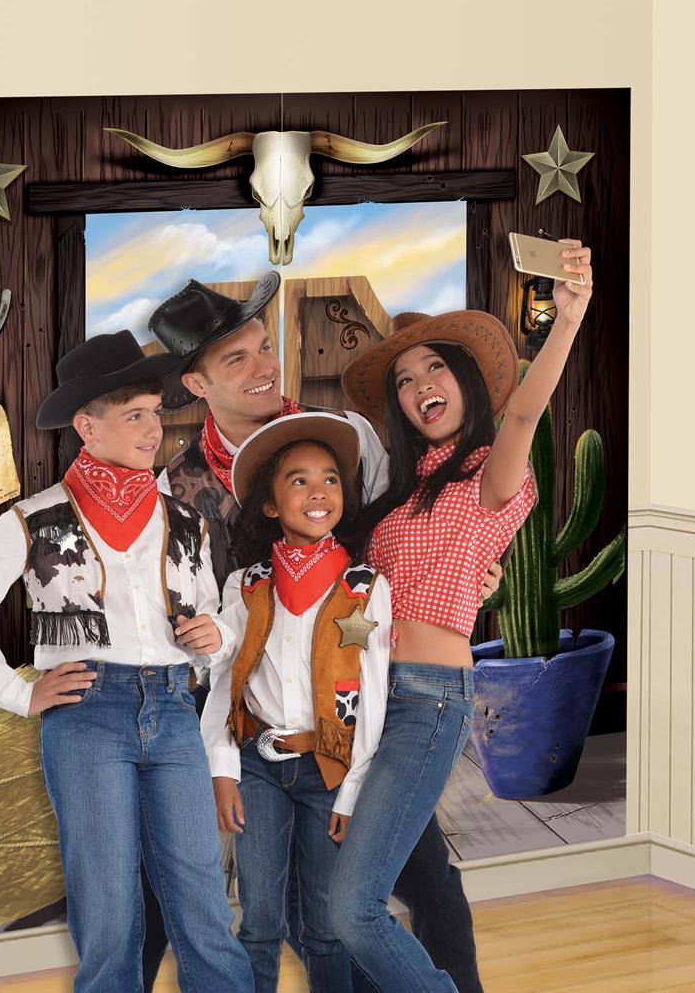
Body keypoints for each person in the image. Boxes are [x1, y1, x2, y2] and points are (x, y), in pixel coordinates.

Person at [145, 271, 496, 993]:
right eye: (235, 359)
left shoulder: (351, 440)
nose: (263, 367)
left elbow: (410, 537)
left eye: (263, 347)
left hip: (357, 707)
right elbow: (182, 619)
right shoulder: (174, 492)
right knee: (237, 900)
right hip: (254, 725)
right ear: (197, 383)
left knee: (412, 876)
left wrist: (470, 582)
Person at [0, 331, 254, 993]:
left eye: (157, 412)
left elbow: (219, 608)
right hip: (86, 714)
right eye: (135, 414)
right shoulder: (36, 517)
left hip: (171, 707)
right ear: (87, 424)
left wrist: (214, 630)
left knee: (202, 900)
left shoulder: (184, 518)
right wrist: (20, 695)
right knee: (107, 908)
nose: (153, 428)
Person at [330, 241, 594, 990]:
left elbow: (522, 419)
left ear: (467, 379)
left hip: (427, 699)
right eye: (406, 381)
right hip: (365, 700)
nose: (420, 386)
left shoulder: (489, 474)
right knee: (348, 897)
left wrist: (566, 321)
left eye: (435, 368)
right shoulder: (397, 496)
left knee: (354, 910)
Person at [201, 412, 392, 993]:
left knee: (327, 925)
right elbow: (222, 681)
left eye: (331, 479)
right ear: (269, 504)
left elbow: (374, 696)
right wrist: (223, 770)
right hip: (257, 768)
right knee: (258, 920)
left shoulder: (364, 586)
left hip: (327, 771)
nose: (318, 493)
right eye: (299, 480)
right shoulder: (247, 585)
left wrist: (354, 788)